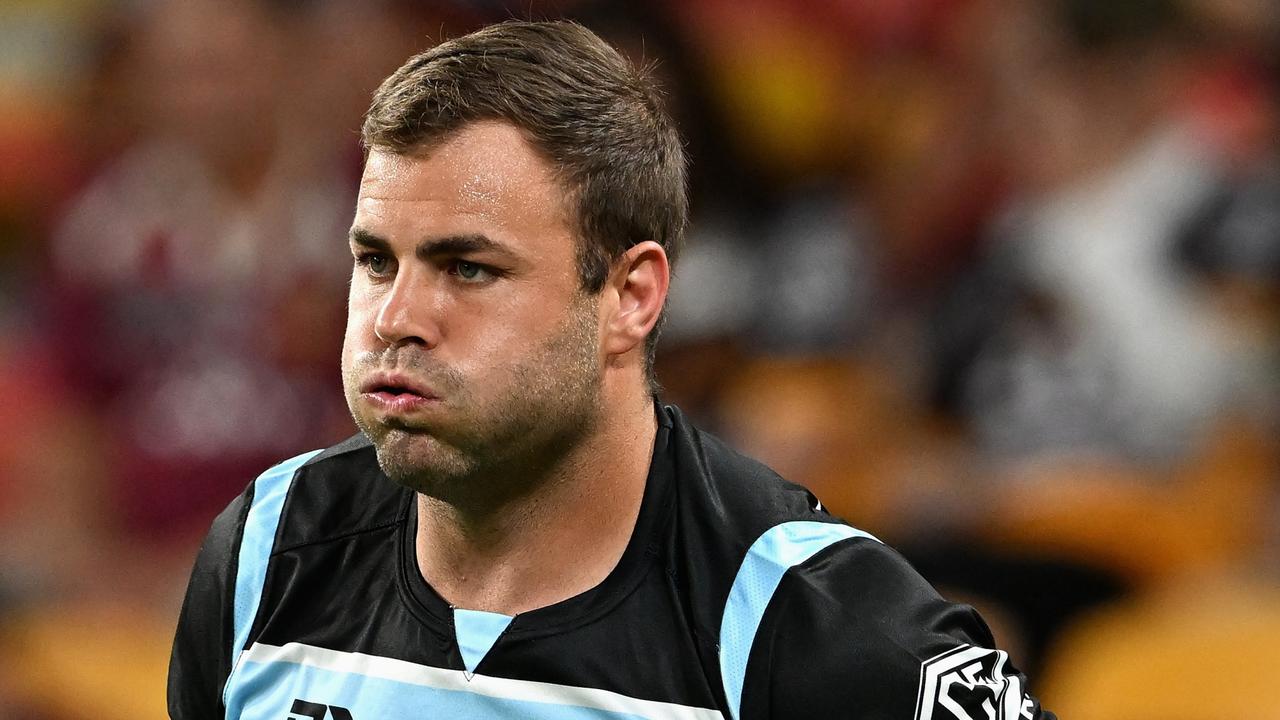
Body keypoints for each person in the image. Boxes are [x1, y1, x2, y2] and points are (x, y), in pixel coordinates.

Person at [168, 20, 1054, 720]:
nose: (396, 318)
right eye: (375, 261)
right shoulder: (265, 552)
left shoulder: (805, 618)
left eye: (469, 269)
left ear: (631, 295)